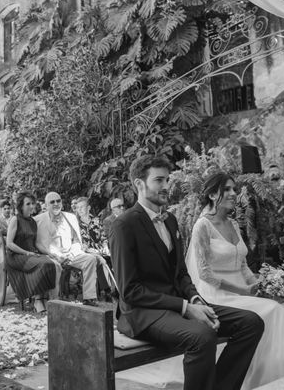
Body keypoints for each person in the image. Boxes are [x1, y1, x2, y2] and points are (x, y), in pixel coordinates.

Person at [111, 155, 264, 390]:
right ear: (139, 184)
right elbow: (130, 291)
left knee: (250, 323)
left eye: (167, 179)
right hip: (142, 313)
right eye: (159, 180)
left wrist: (194, 299)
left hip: (176, 305)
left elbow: (181, 273)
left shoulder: (170, 220)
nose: (166, 186)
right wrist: (186, 308)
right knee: (202, 336)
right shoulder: (124, 225)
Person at [186, 172, 284, 389]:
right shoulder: (202, 226)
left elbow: (242, 264)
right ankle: (251, 380)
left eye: (234, 189)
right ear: (213, 194)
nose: (234, 193)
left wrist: (260, 285)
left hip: (241, 290)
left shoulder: (234, 224)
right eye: (227, 189)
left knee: (280, 308)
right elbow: (204, 273)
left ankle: (267, 379)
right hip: (216, 293)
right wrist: (241, 290)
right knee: (271, 312)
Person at [35, 192, 104, 305]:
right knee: (54, 266)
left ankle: (89, 297)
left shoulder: (70, 217)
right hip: (51, 256)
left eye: (58, 201)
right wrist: (57, 256)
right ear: (46, 205)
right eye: (52, 202)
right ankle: (54, 302)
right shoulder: (38, 220)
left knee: (90, 259)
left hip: (71, 254)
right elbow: (39, 243)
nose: (56, 203)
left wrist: (72, 253)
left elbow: (76, 240)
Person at [5, 192, 57, 313]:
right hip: (16, 256)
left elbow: (37, 243)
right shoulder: (15, 219)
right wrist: (26, 253)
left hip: (30, 254)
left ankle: (43, 299)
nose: (31, 206)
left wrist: (49, 253)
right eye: (28, 203)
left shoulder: (33, 222)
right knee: (43, 264)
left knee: (49, 262)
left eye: (32, 203)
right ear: (21, 206)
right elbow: (9, 243)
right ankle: (38, 301)